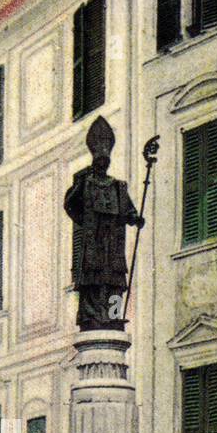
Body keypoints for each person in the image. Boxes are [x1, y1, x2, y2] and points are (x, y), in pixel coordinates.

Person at [64, 115, 144, 331]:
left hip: (113, 242)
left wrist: (135, 218)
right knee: (92, 281)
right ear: (94, 161)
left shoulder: (118, 186)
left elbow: (128, 210)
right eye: (98, 161)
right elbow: (70, 204)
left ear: (107, 161)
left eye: (104, 161)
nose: (102, 164)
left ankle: (113, 316)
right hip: (94, 241)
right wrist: (81, 215)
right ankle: (91, 317)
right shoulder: (86, 183)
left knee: (115, 282)